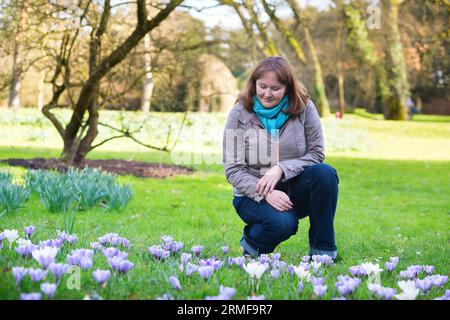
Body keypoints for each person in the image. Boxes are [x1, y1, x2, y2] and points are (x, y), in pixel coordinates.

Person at [222, 56, 340, 260]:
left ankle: (323, 252)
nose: (267, 94)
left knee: (325, 174)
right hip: (251, 195)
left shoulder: (304, 108)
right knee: (284, 223)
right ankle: (253, 244)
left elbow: (316, 154)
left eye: (275, 88)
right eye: (262, 86)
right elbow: (233, 170)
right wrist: (265, 192)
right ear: (254, 84)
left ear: (288, 87)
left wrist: (282, 169)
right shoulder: (239, 115)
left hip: (295, 189)